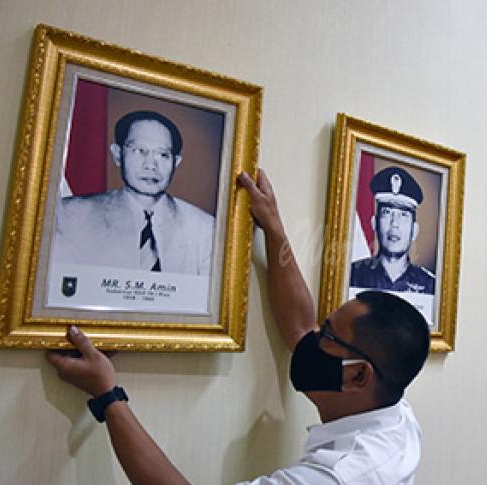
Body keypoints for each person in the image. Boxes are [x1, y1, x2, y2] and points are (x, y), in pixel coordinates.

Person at [45, 169, 431, 484]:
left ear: (359, 376)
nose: (313, 339)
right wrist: (274, 228)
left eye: (327, 335)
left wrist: (108, 396)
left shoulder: (340, 477)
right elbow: (300, 326)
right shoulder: (393, 414)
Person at [52, 110, 214, 276]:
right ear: (118, 155)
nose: (151, 165)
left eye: (162, 154)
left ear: (175, 162)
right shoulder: (72, 216)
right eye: (138, 151)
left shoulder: (205, 229)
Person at [349, 166, 435, 294]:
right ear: (374, 224)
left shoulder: (429, 285)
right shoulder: (352, 275)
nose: (394, 223)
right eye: (387, 213)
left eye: (403, 215)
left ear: (414, 231)